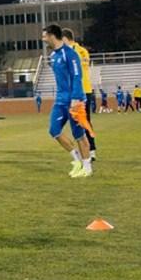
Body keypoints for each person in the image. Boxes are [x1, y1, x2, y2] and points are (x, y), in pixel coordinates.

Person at [42, 25, 93, 178]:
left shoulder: (70, 54)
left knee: (79, 134)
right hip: (61, 100)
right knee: (54, 130)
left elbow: (77, 77)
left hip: (74, 100)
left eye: (44, 36)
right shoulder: (53, 56)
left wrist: (76, 99)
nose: (43, 39)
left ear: (52, 36)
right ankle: (77, 160)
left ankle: (87, 168)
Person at [62, 29, 98, 161]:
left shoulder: (72, 52)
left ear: (65, 39)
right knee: (84, 120)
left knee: (80, 122)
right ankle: (91, 151)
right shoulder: (83, 51)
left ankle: (88, 152)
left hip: (78, 91)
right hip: (85, 89)